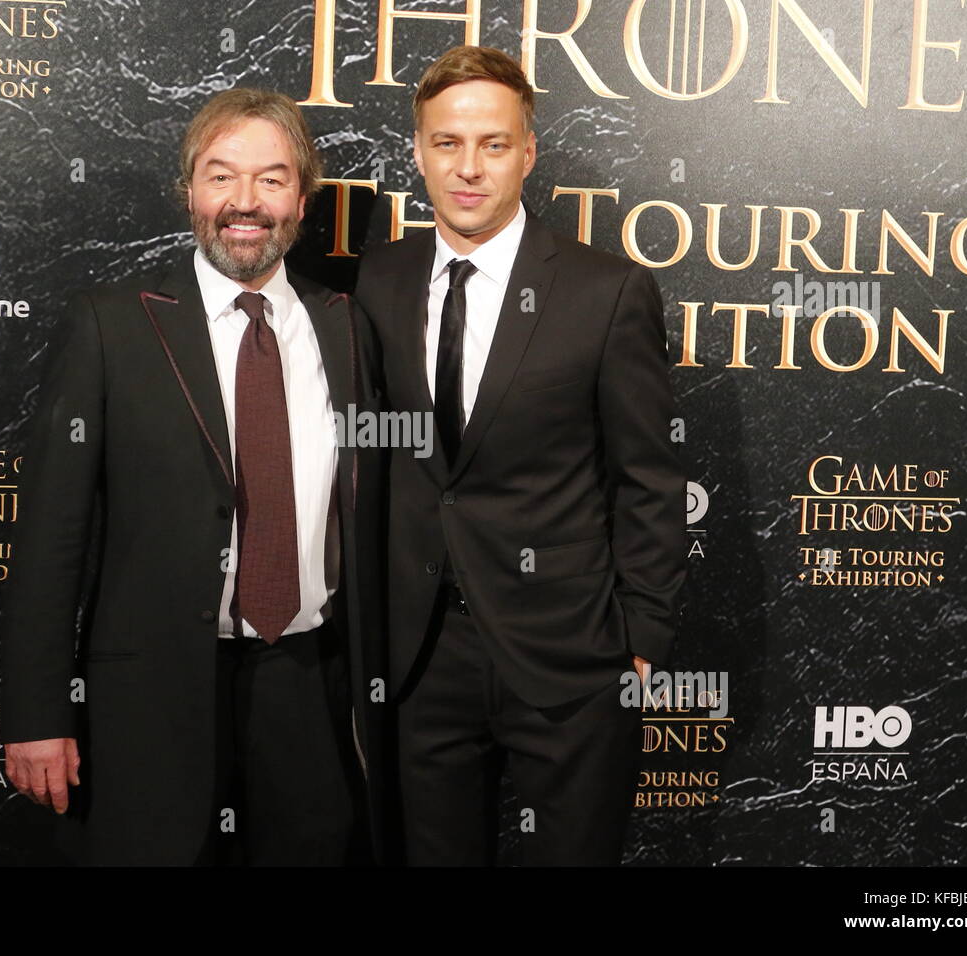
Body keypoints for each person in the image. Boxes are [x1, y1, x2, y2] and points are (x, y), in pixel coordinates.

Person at [0, 87, 385, 866]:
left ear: (301, 200)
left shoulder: (344, 325)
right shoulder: (111, 324)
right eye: (221, 176)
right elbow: (50, 536)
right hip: (151, 697)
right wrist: (36, 712)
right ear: (190, 194)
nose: (246, 202)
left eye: (272, 179)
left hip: (310, 689)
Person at [354, 46, 686, 866]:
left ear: (528, 153)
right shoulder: (377, 280)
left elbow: (648, 476)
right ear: (418, 151)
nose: (468, 169)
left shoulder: (604, 291)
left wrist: (638, 638)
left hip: (570, 655)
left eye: (493, 144)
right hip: (419, 655)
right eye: (447, 144)